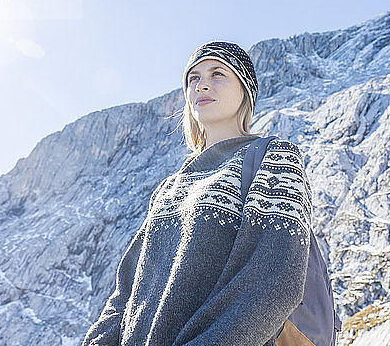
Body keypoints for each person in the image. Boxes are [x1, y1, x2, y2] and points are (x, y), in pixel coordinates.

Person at [81, 40, 313, 346]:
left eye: (218, 74)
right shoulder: (170, 187)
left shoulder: (273, 157)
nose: (202, 85)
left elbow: (273, 280)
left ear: (245, 91)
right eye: (194, 78)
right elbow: (126, 291)